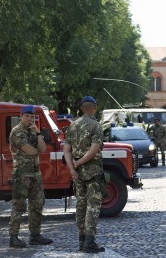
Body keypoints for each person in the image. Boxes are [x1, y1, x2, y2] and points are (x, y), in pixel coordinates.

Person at [64, 96, 105, 253]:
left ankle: (81, 240)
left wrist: (72, 168)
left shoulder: (72, 127)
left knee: (81, 205)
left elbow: (66, 150)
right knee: (93, 206)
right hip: (92, 171)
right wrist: (79, 163)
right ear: (94, 108)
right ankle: (89, 241)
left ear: (81, 108)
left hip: (78, 174)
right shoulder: (96, 126)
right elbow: (94, 149)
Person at [9, 105, 53, 248]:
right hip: (22, 173)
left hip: (35, 173)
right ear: (21, 116)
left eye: (32, 116)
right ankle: (13, 237)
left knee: (37, 204)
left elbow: (43, 149)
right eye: (27, 116)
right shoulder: (17, 132)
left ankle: (35, 235)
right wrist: (37, 149)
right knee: (19, 205)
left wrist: (39, 133)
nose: (29, 119)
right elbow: (30, 151)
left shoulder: (33, 132)